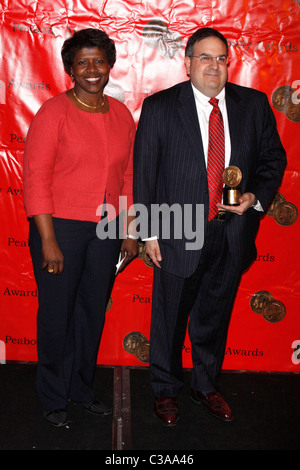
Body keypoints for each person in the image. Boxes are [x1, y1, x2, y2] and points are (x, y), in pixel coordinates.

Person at [133, 27, 286, 426]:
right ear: (187, 63)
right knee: (169, 319)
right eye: (205, 57)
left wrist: (254, 197)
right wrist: (149, 233)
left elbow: (274, 159)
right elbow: (145, 175)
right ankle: (166, 391)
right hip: (177, 233)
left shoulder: (252, 104)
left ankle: (205, 384)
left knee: (214, 316)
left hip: (232, 234)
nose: (213, 65)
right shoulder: (160, 107)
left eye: (221, 58)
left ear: (228, 64)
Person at [23, 28, 138, 427]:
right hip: (61, 229)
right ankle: (53, 396)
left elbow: (128, 177)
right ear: (70, 68)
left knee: (91, 313)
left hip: (106, 231)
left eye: (99, 61)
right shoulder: (54, 112)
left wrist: (130, 229)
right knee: (57, 315)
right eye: (83, 62)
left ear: (110, 66)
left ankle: (80, 389)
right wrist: (49, 240)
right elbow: (35, 177)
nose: (92, 69)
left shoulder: (122, 115)